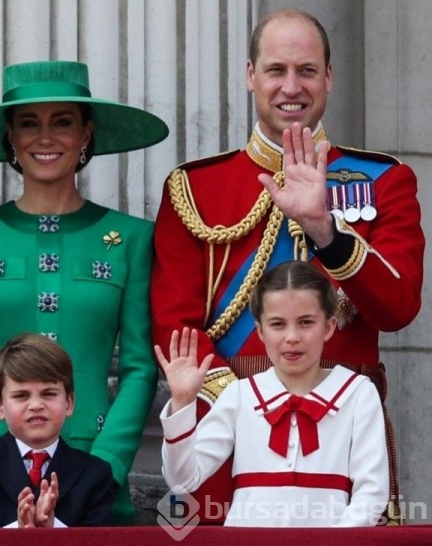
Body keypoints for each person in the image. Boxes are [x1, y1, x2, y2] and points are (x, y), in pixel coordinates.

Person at [151, 8, 422, 523]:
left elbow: (399, 306)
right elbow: (174, 324)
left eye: (307, 70)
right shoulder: (195, 187)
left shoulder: (384, 179)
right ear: (251, 75)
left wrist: (327, 232)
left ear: (330, 77)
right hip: (228, 429)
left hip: (345, 421)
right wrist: (251, 404)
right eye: (276, 70)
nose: (291, 86)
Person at [0, 60, 168, 523]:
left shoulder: (132, 236)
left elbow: (140, 367)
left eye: (62, 122)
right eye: (28, 124)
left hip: (95, 463)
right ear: (11, 138)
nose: (45, 137)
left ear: (86, 134)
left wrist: (108, 464)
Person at [157, 260, 389, 527]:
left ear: (328, 327)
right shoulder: (240, 394)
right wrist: (182, 404)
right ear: (260, 331)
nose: (292, 337)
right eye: (278, 324)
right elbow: (183, 480)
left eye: (305, 323)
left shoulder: (358, 394)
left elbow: (371, 495)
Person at [0, 333, 116, 527]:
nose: (35, 405)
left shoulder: (94, 473)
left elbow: (99, 539)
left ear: (69, 403)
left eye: (49, 393)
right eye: (21, 395)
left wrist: (53, 530)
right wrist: (18, 531)